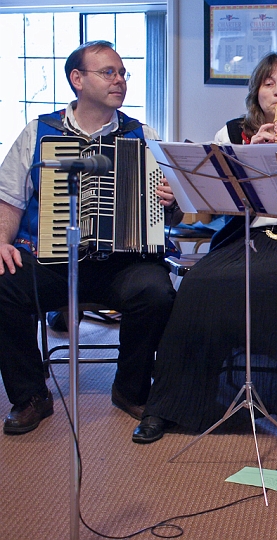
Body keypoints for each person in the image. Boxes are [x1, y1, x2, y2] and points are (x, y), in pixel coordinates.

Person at [132, 52, 277, 443]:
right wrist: (245, 159)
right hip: (246, 236)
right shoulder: (231, 132)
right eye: (269, 83)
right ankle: (169, 405)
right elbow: (209, 202)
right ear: (256, 92)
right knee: (199, 285)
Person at [0, 40, 181, 435]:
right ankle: (31, 395)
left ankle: (130, 389)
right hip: (51, 259)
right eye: (108, 72)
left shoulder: (141, 134)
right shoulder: (40, 132)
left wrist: (170, 198)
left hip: (122, 263)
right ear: (77, 80)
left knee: (156, 291)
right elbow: (9, 199)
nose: (119, 80)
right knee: (3, 282)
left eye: (122, 73)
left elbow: (174, 205)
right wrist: (2, 242)